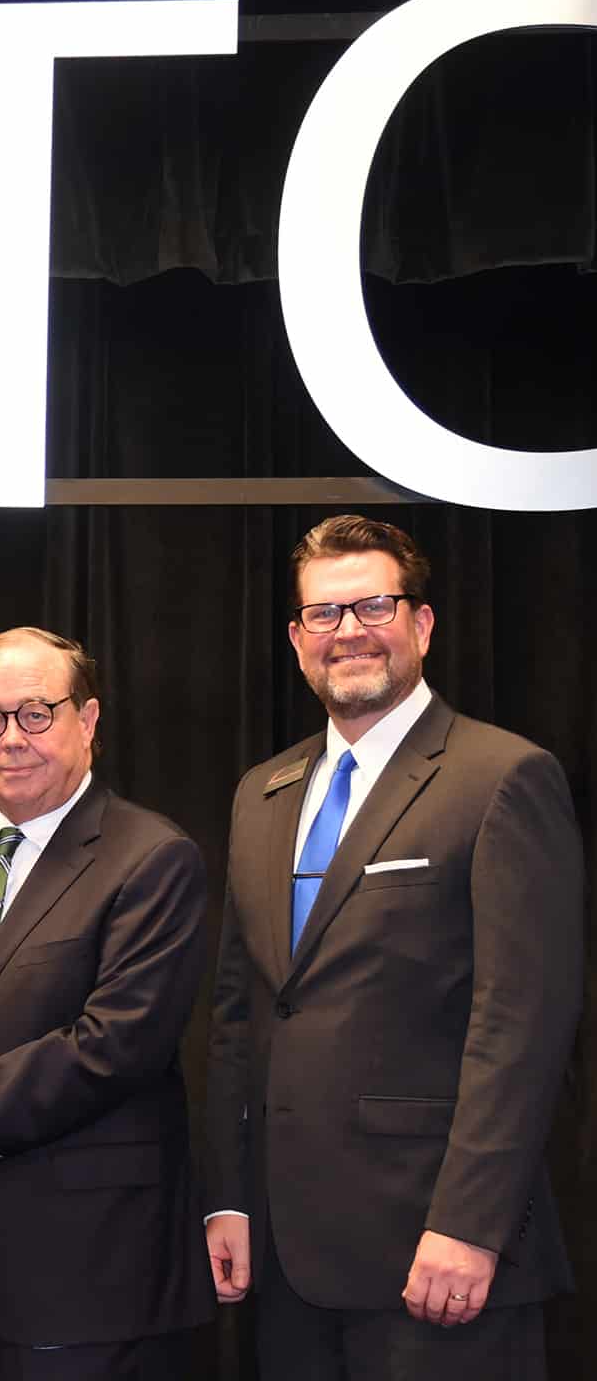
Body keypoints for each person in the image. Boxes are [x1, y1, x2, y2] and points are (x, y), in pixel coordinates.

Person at [204, 515, 582, 1381]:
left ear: (421, 622)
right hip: (287, 1255)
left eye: (372, 605)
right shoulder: (261, 793)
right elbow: (239, 1015)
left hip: (437, 1251)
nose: (349, 634)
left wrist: (470, 1225)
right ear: (298, 639)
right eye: (325, 616)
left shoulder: (502, 776)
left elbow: (521, 1024)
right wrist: (228, 1197)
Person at [0, 626, 215, 1379]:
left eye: (35, 713)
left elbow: (112, 1047)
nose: (10, 738)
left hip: (86, 1282)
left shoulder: (152, 858)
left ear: (87, 722)